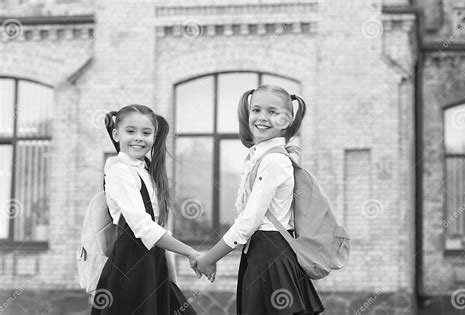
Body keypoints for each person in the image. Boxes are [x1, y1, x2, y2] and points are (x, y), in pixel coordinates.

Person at [194, 85, 325, 314]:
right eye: (256, 110)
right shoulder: (261, 157)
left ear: (287, 120)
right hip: (260, 255)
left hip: (271, 257)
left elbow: (248, 222)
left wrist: (209, 258)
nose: (262, 118)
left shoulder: (274, 161)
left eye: (272, 112)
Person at [91, 104, 214, 315]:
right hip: (130, 269)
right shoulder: (119, 172)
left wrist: (171, 274)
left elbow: (158, 229)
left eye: (146, 132)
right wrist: (191, 252)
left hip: (152, 266)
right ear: (116, 134)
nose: (139, 137)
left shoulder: (146, 171)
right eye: (130, 131)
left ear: (155, 137)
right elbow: (143, 227)